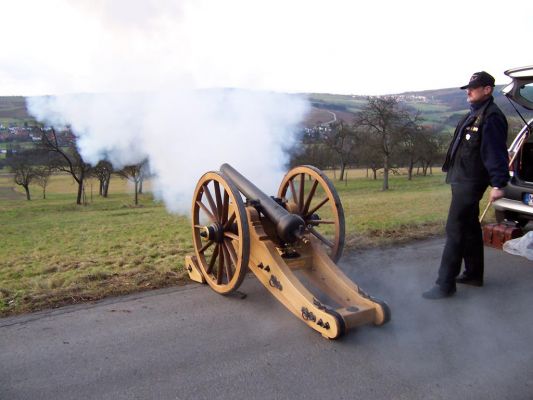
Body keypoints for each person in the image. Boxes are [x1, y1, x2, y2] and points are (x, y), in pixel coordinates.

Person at [423, 71, 509, 299]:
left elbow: (495, 153)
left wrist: (499, 183)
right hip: (460, 179)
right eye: (468, 88)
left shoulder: (491, 117)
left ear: (487, 89)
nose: (468, 92)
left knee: (455, 229)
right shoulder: (474, 114)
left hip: (470, 182)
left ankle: (445, 285)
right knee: (469, 227)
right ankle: (473, 274)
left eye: (473, 87)